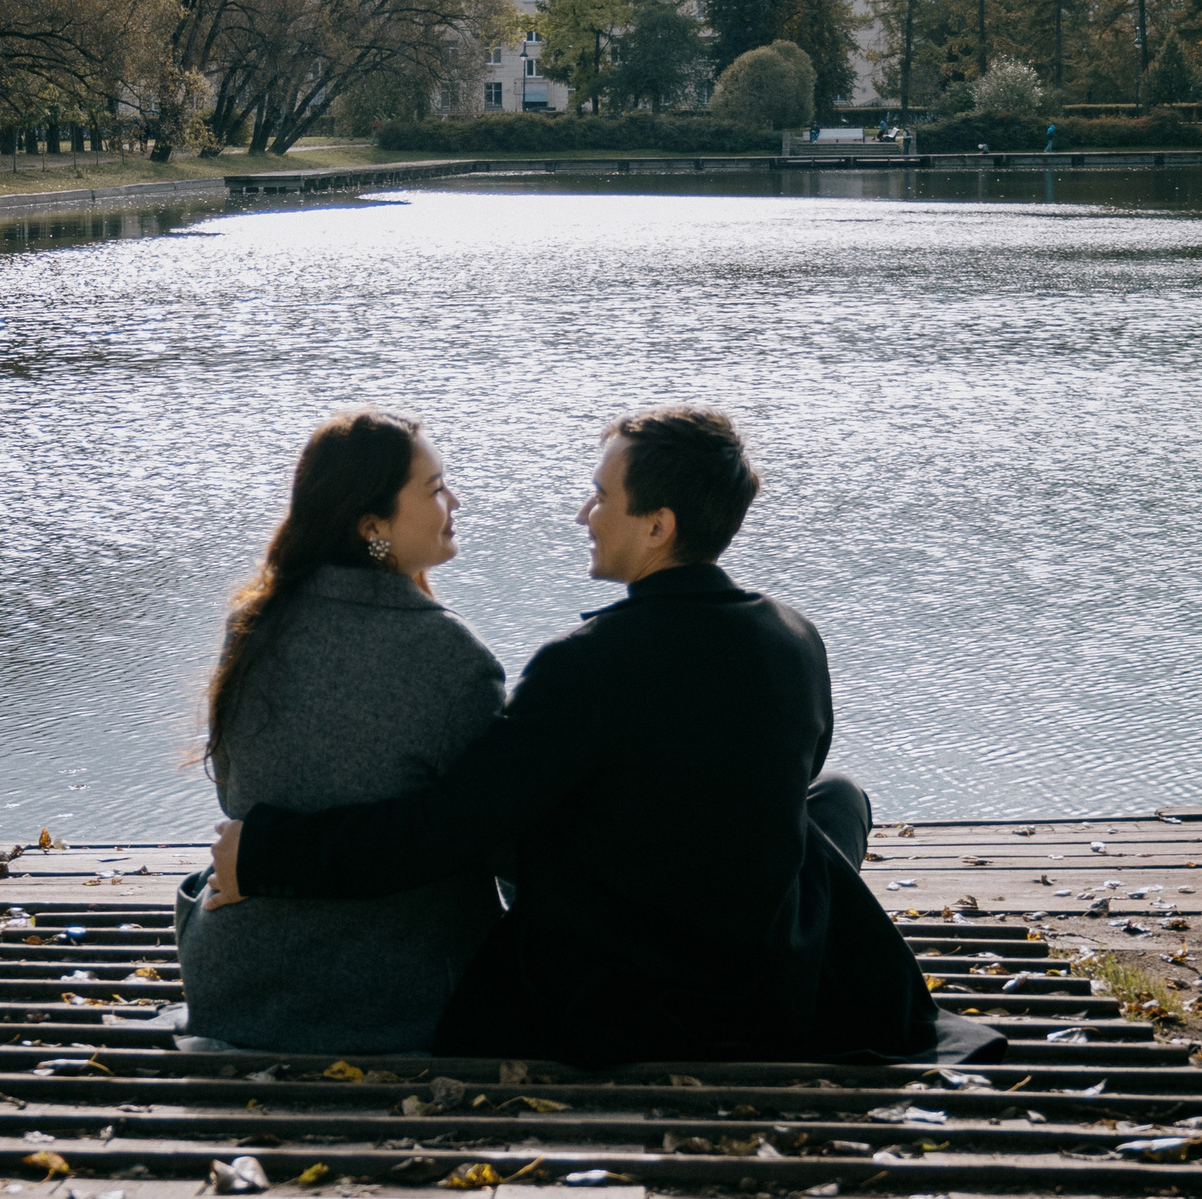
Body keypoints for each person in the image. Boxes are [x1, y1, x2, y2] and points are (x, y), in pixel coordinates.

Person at [206, 407, 998, 1070]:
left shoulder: (580, 666)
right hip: (764, 983)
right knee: (830, 801)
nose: (584, 514)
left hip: (614, 998)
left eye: (600, 496)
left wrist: (269, 853)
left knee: (745, 811)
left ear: (657, 525)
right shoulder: (796, 638)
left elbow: (451, 829)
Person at [174, 409, 506, 1055]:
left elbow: (235, 797)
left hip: (237, 983)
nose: (455, 500)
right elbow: (494, 833)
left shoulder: (253, 624)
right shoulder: (453, 657)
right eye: (436, 488)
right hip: (398, 996)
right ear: (372, 526)